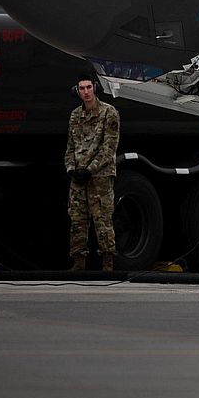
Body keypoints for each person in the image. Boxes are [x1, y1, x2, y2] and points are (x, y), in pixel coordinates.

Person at [63, 76, 120, 270]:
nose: (86, 92)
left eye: (89, 87)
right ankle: (78, 261)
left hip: (100, 176)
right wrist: (71, 169)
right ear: (77, 91)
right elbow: (70, 146)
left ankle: (107, 261)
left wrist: (90, 169)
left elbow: (109, 147)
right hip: (78, 175)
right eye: (82, 88)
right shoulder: (75, 116)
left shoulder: (108, 113)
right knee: (77, 219)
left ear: (95, 88)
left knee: (102, 218)